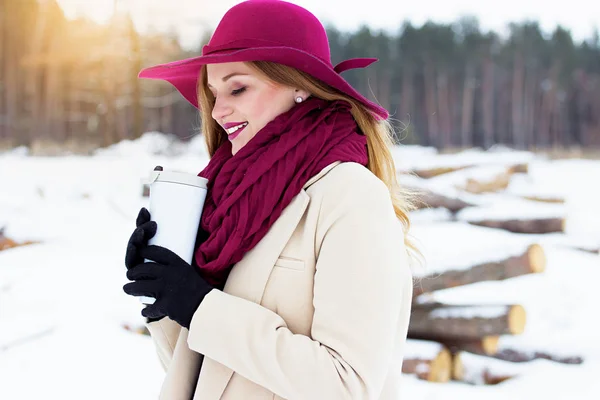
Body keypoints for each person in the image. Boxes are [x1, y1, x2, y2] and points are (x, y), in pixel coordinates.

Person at [122, 1, 419, 399]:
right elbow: (216, 375)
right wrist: (166, 300)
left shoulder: (350, 196)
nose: (218, 111)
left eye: (238, 88)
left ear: (300, 84)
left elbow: (348, 384)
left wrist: (200, 305)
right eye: (213, 93)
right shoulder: (228, 201)